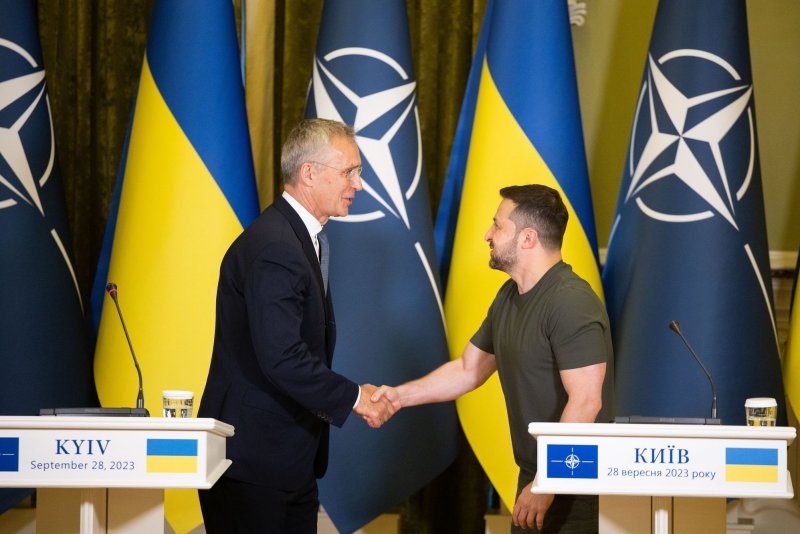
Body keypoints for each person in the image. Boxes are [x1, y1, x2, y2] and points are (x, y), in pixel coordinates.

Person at [373, 184, 614, 533]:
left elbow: (587, 401)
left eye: (498, 225)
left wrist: (549, 482)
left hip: (576, 485)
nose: (488, 234)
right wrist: (397, 398)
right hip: (538, 478)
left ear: (528, 238)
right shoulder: (508, 296)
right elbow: (469, 370)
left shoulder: (571, 302)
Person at [198, 118, 395, 533]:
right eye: (349, 172)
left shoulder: (298, 238)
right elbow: (283, 356)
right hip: (254, 465)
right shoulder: (276, 247)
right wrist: (355, 397)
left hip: (285, 462)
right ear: (309, 173)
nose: (358, 185)